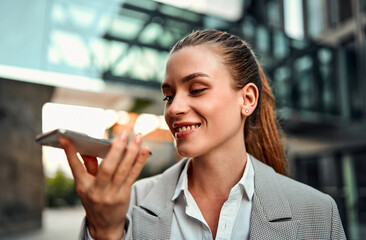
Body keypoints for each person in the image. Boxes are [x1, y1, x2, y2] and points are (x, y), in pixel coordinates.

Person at [59, 30, 346, 239]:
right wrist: (106, 232)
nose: (174, 109)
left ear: (247, 99)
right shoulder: (129, 204)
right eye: (168, 96)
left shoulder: (318, 213)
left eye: (196, 89)